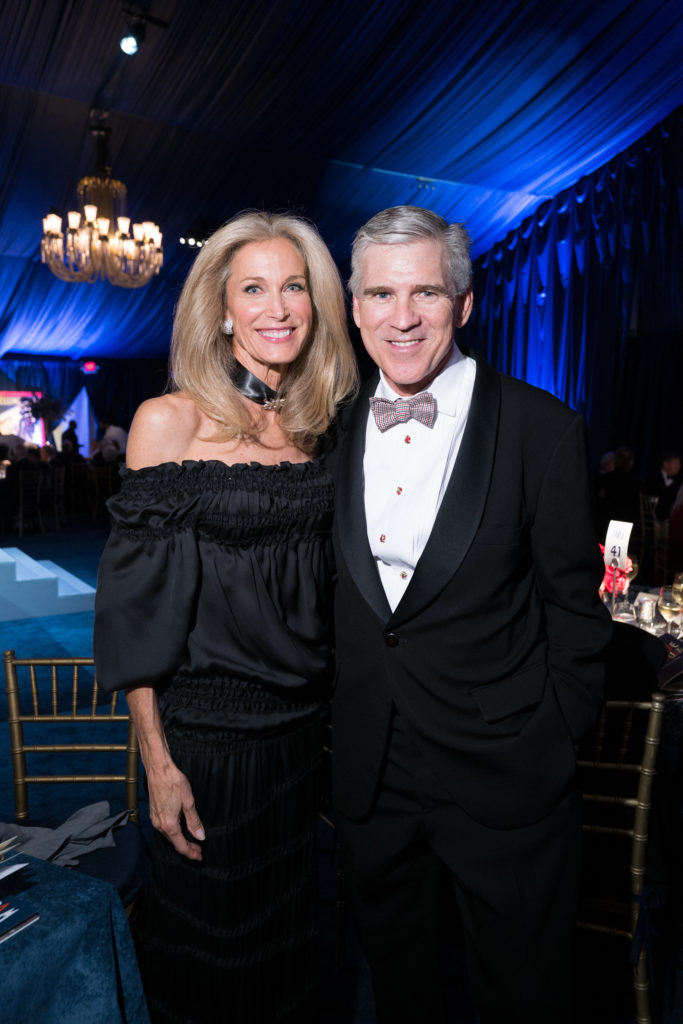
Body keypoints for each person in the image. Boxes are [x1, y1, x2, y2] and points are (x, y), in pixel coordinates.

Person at [329, 206, 612, 1024]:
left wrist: (552, 740)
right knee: (400, 994)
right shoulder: (331, 429)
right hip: (373, 780)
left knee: (522, 998)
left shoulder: (542, 430)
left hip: (506, 779)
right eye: (381, 294)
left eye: (425, 292)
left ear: (464, 302)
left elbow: (575, 611)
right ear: (353, 309)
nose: (402, 316)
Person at [93, 210, 357, 1024]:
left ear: (317, 307)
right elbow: (134, 615)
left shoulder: (320, 428)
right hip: (206, 746)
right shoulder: (169, 422)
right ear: (221, 309)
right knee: (208, 962)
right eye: (254, 288)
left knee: (287, 948)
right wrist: (158, 765)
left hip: (296, 742)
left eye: (294, 287)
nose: (277, 307)